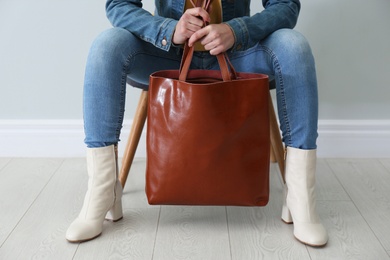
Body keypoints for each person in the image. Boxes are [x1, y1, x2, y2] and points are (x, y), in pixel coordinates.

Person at [66, 0, 328, 247]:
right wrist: (169, 29)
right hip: (167, 51)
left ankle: (300, 198)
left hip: (238, 51)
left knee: (294, 46)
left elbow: (286, 5)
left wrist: (237, 30)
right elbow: (119, 5)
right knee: (106, 45)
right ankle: (102, 192)